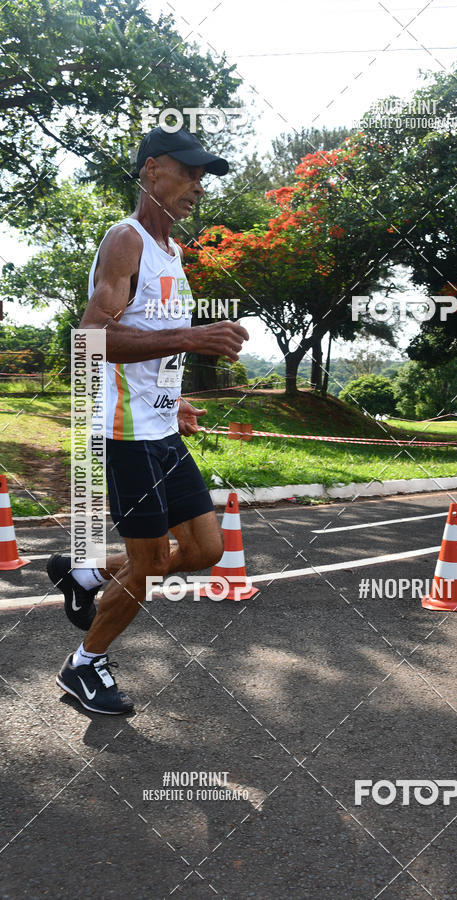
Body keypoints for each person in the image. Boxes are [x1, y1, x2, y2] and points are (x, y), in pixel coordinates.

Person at [47, 126, 249, 714]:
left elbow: (153, 345)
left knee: (207, 550)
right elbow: (91, 337)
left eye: (201, 177)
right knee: (153, 563)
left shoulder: (173, 254)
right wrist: (192, 334)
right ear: (151, 170)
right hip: (123, 434)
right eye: (187, 172)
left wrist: (174, 397)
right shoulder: (125, 240)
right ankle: (84, 666)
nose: (197, 186)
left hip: (158, 426)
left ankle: (85, 574)